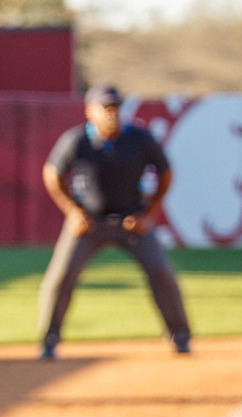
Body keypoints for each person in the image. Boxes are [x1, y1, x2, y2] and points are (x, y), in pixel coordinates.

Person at [36, 84, 191, 362]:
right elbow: (52, 174)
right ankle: (49, 341)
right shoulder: (77, 141)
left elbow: (166, 173)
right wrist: (72, 211)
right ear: (89, 111)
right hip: (89, 224)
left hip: (131, 221)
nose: (112, 114)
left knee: (160, 272)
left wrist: (149, 213)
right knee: (62, 275)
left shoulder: (140, 139)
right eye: (105, 108)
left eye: (116, 108)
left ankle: (180, 337)